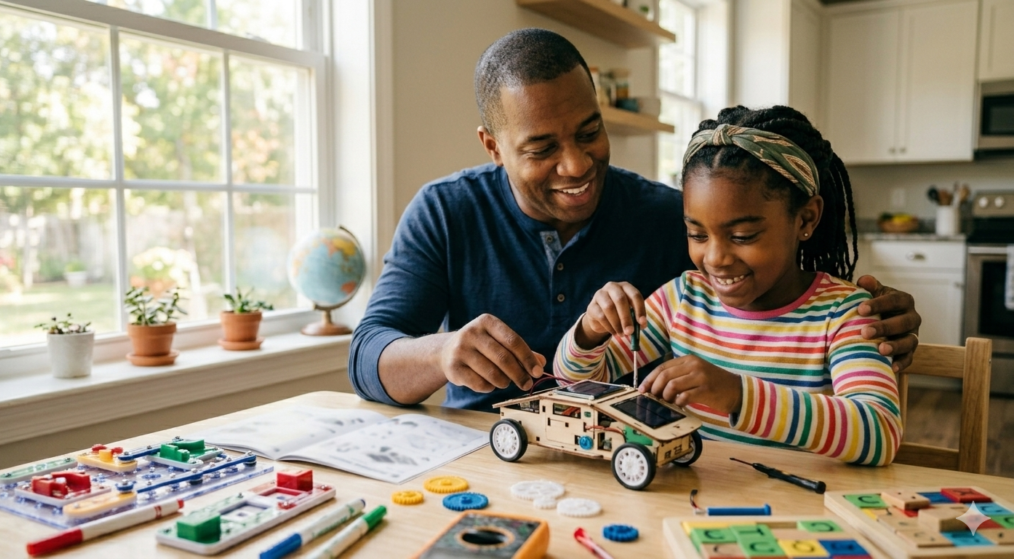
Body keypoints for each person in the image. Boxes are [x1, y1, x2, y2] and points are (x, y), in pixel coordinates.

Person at [348, 29, 921, 413]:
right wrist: (439, 353)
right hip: (484, 456)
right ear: (493, 146)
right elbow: (367, 357)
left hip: (634, 464)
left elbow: (770, 310)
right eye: (542, 147)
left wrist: (861, 320)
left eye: (590, 132)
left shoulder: (671, 219)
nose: (576, 164)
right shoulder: (444, 211)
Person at [555, 106, 901, 465]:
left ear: (806, 218)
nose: (716, 257)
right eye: (697, 234)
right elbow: (572, 380)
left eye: (742, 235)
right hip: (694, 506)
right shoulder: (683, 299)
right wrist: (590, 331)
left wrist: (739, 395)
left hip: (800, 510)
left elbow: (880, 432)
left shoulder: (844, 313)